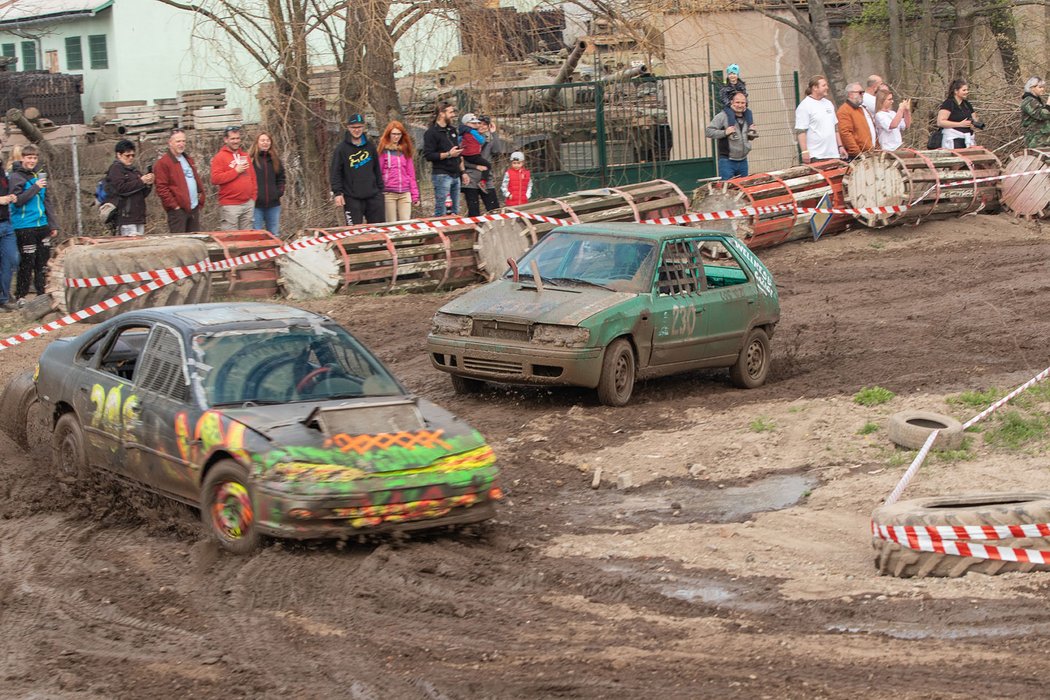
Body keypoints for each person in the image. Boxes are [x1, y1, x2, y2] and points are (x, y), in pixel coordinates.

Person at [8, 144, 57, 304]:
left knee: (42, 263)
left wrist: (52, 224)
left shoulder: (39, 174)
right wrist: (35, 187)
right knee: (27, 261)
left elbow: (46, 200)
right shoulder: (16, 177)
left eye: (34, 158)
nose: (32, 161)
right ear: (22, 158)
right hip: (24, 225)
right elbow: (18, 201)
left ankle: (41, 294)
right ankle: (21, 296)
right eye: (29, 158)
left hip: (42, 224)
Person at [329, 113, 385, 225]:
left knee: (378, 230)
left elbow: (377, 169)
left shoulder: (370, 147)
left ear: (363, 127)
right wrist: (337, 193)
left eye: (359, 127)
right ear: (348, 128)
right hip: (352, 197)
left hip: (373, 195)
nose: (356, 130)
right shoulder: (341, 149)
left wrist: (380, 190)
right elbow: (335, 172)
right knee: (353, 232)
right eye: (354, 127)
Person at [154, 128, 205, 233]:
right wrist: (175, 206)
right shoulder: (163, 163)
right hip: (178, 211)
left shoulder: (188, 159)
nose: (181, 144)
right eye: (178, 141)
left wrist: (200, 197)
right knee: (180, 244)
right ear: (170, 143)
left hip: (193, 208)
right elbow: (161, 188)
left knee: (194, 242)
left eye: (183, 141)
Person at [423, 101, 468, 216]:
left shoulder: (452, 130)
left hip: (456, 174)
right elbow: (428, 155)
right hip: (442, 175)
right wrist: (448, 154)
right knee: (442, 209)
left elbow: (457, 153)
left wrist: (463, 172)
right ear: (442, 114)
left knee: (455, 210)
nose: (453, 115)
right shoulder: (431, 133)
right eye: (451, 112)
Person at [104, 140, 154, 237]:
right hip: (125, 217)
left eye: (132, 155)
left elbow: (142, 193)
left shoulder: (134, 171)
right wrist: (141, 181)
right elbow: (121, 189)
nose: (130, 158)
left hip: (138, 216)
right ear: (119, 155)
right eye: (127, 155)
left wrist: (148, 183)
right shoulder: (116, 169)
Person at [210, 126, 257, 230]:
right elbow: (215, 179)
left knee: (247, 238)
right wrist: (235, 171)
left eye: (237, 138)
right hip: (230, 205)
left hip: (248, 204)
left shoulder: (245, 156)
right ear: (226, 140)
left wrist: (253, 197)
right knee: (231, 239)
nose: (236, 141)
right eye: (232, 139)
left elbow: (253, 178)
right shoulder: (219, 157)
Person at [795, 75, 847, 164]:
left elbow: (835, 128)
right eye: (824, 85)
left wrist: (840, 146)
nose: (827, 87)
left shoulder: (828, 103)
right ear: (815, 88)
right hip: (816, 156)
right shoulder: (805, 106)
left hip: (833, 154)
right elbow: (801, 131)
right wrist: (804, 151)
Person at [706, 92, 755, 180]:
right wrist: (725, 132)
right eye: (737, 102)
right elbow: (708, 132)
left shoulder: (748, 117)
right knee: (727, 188)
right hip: (727, 161)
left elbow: (747, 138)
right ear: (731, 102)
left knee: (743, 189)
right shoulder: (722, 116)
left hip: (743, 161)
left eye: (742, 103)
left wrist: (752, 134)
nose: (740, 105)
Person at [377, 120, 419, 221]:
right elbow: (378, 172)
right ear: (389, 134)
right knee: (391, 224)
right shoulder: (383, 151)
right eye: (394, 134)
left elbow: (411, 175)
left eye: (398, 134)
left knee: (406, 223)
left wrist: (415, 195)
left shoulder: (405, 151)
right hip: (388, 193)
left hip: (405, 192)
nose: (396, 137)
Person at [462, 117, 501, 216]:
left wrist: (494, 133)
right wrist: (475, 166)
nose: (482, 126)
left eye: (485, 124)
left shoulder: (489, 139)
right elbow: (461, 160)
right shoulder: (467, 138)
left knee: (494, 209)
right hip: (471, 179)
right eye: (480, 123)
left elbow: (497, 150)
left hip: (486, 179)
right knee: (474, 211)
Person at [249, 132, 284, 235]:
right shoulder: (251, 160)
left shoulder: (276, 160)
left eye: (268, 140)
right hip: (256, 205)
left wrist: (278, 192)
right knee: (256, 235)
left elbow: (281, 178)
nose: (265, 143)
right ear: (257, 142)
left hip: (273, 205)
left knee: (274, 234)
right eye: (262, 140)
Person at [0, 135, 18, 311]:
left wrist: (11, 197)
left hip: (6, 222)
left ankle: (4, 299)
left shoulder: (2, 168)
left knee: (12, 259)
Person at [837, 82, 877, 160]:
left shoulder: (863, 109)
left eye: (863, 92)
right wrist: (857, 153)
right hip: (859, 156)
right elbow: (845, 133)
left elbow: (873, 130)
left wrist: (877, 148)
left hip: (871, 153)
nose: (862, 94)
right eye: (860, 92)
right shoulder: (844, 110)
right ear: (850, 94)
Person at [937, 78, 979, 149]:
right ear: (956, 91)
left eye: (967, 90)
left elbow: (975, 118)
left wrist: (973, 124)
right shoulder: (948, 103)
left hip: (968, 139)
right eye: (964, 90)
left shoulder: (967, 104)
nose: (966, 92)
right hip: (953, 139)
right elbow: (940, 122)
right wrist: (960, 124)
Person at [718, 64, 755, 132]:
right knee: (731, 114)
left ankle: (751, 127)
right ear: (728, 75)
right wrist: (730, 104)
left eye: (734, 74)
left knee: (748, 112)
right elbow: (723, 97)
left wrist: (745, 105)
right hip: (728, 106)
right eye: (730, 74)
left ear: (737, 75)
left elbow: (745, 96)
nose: (732, 76)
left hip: (739, 105)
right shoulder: (725, 86)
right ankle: (731, 129)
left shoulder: (741, 85)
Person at [1021, 76, 1050, 148]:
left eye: (1043, 87)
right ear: (1032, 88)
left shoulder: (1037, 100)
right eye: (1040, 87)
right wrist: (1049, 103)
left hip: (1044, 138)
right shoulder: (1028, 101)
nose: (1042, 89)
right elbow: (1043, 115)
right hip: (1036, 140)